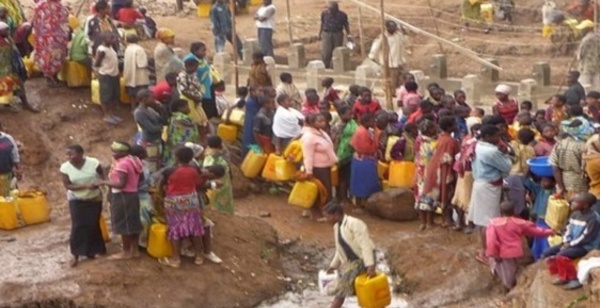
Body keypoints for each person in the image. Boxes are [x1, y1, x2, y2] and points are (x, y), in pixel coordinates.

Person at [158, 144, 224, 267]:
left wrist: (163, 198)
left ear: (177, 158)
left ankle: (176, 259)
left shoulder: (169, 171)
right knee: (195, 228)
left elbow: (160, 186)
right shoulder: (195, 170)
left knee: (175, 229)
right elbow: (198, 185)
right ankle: (199, 257)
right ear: (191, 158)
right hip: (190, 200)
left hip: (173, 201)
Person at [486, 201, 554, 291]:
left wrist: (494, 254)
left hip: (502, 254)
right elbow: (535, 231)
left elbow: (491, 241)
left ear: (500, 212)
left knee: (506, 274)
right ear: (513, 211)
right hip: (515, 252)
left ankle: (508, 289)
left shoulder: (493, 224)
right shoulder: (520, 223)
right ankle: (511, 286)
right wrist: (551, 232)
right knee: (512, 270)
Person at [470, 125, 512, 264]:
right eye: (496, 136)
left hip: (481, 184)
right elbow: (507, 166)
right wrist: (505, 153)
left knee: (483, 220)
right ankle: (487, 252)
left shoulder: (477, 145)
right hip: (489, 187)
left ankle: (486, 249)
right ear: (487, 137)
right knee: (488, 222)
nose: (498, 139)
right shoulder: (491, 151)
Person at [60, 144, 107, 267]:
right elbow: (68, 185)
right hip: (76, 199)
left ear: (81, 154)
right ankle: (75, 254)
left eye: (71, 154)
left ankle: (93, 250)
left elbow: (103, 176)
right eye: (67, 154)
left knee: (93, 224)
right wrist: (85, 186)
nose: (69, 157)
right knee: (78, 225)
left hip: (94, 198)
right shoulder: (65, 168)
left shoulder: (93, 162)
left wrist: (100, 183)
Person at [324, 202, 376, 308]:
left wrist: (370, 265)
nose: (326, 219)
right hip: (351, 263)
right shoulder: (337, 227)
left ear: (336, 215)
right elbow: (340, 249)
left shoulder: (355, 224)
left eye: (327, 216)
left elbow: (365, 245)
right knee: (364, 289)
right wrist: (333, 266)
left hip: (362, 260)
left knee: (341, 291)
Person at [100, 141, 143, 260]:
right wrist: (133, 184)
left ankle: (126, 251)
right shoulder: (135, 160)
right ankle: (135, 250)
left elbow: (120, 184)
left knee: (124, 224)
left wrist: (103, 182)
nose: (113, 153)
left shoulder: (123, 164)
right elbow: (141, 178)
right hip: (133, 194)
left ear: (124, 152)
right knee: (133, 221)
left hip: (122, 196)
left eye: (116, 151)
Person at [421, 117, 460, 228]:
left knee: (435, 194)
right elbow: (454, 157)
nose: (456, 126)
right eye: (454, 124)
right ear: (449, 127)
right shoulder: (450, 141)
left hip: (433, 168)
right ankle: (446, 219)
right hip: (443, 170)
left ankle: (432, 221)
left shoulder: (439, 138)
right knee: (447, 193)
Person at [542, 192, 600, 266]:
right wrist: (566, 241)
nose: (572, 203)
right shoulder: (575, 214)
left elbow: (586, 238)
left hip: (584, 246)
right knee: (547, 253)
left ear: (585, 205)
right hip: (571, 243)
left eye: (575, 202)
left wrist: (570, 245)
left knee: (561, 255)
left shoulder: (593, 219)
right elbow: (568, 229)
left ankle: (565, 275)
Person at [302, 113, 337, 219]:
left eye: (324, 121)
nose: (323, 123)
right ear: (312, 123)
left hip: (326, 166)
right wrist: (309, 171)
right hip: (317, 168)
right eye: (320, 121)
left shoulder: (321, 133)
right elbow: (308, 155)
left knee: (326, 190)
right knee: (318, 191)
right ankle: (316, 212)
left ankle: (326, 211)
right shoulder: (309, 137)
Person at [0, 22, 38, 112]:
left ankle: (25, 104)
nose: (8, 31)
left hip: (11, 69)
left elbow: (14, 53)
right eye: (6, 30)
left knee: (19, 85)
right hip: (2, 71)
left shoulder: (8, 40)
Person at [32, 0, 69, 86]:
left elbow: (35, 22)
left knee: (53, 56)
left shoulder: (42, 5)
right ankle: (49, 77)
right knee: (51, 56)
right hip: (51, 37)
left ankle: (52, 76)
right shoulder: (58, 7)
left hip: (51, 37)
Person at [550, 121, 589, 199]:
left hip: (563, 181)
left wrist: (561, 187)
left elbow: (554, 167)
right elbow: (588, 168)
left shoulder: (559, 144)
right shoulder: (585, 145)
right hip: (580, 183)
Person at [350, 113, 381, 209]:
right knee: (360, 183)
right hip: (363, 161)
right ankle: (358, 205)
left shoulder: (365, 130)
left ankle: (364, 203)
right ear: (366, 122)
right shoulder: (362, 132)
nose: (374, 123)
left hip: (365, 160)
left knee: (367, 182)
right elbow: (366, 148)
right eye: (372, 121)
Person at [524, 175, 556, 260]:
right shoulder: (539, 190)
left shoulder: (555, 192)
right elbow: (525, 180)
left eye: (546, 181)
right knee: (536, 240)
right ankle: (536, 257)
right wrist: (528, 169)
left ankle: (545, 257)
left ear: (553, 182)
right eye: (542, 181)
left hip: (549, 221)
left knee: (546, 240)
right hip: (537, 219)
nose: (543, 183)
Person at [184, 42, 219, 120]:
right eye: (202, 51)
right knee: (204, 109)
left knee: (210, 107)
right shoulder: (190, 60)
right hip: (199, 89)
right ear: (195, 51)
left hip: (207, 86)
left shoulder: (201, 59)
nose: (204, 53)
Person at [331, 105, 357, 205]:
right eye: (348, 114)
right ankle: (342, 197)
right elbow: (335, 140)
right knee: (341, 177)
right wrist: (335, 154)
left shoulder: (351, 123)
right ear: (341, 115)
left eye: (351, 113)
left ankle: (344, 196)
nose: (351, 115)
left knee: (347, 177)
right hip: (341, 154)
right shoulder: (338, 126)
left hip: (350, 152)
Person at [94, 33, 122, 125]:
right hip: (106, 75)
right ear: (104, 39)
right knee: (106, 96)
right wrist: (99, 71)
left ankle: (111, 114)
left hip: (113, 74)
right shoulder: (102, 50)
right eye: (111, 38)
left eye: (113, 38)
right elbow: (97, 63)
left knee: (113, 95)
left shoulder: (110, 47)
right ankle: (106, 115)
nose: (113, 40)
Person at [368, 21, 406, 90]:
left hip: (399, 62)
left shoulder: (398, 35)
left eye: (395, 27)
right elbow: (374, 49)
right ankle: (390, 95)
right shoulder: (382, 37)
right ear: (387, 27)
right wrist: (376, 59)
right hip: (388, 64)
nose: (394, 29)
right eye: (391, 27)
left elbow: (403, 42)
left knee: (400, 81)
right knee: (390, 82)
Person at [134, 90, 164, 172]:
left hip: (156, 141)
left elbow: (162, 120)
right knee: (150, 167)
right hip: (149, 142)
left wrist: (161, 109)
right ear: (144, 99)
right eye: (152, 98)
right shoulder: (139, 113)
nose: (155, 100)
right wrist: (161, 127)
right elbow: (151, 129)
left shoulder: (150, 109)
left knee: (157, 164)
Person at [129, 145, 153, 249]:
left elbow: (149, 178)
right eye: (144, 152)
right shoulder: (133, 166)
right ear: (138, 155)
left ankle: (143, 241)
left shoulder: (145, 164)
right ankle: (138, 243)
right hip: (137, 194)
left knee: (146, 219)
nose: (147, 154)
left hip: (145, 193)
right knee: (141, 219)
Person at [163, 99, 199, 167]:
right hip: (181, 143)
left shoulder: (173, 117)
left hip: (175, 142)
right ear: (180, 108)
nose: (189, 108)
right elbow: (191, 124)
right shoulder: (181, 117)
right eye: (187, 106)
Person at [203, 136, 234, 215]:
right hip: (224, 184)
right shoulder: (223, 155)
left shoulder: (206, 155)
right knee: (225, 206)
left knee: (213, 205)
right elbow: (228, 167)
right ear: (220, 145)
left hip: (211, 185)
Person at [178, 58, 208, 132]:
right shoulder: (183, 75)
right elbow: (183, 90)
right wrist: (195, 98)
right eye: (195, 67)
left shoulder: (193, 74)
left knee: (202, 119)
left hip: (196, 100)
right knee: (194, 119)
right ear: (188, 66)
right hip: (188, 99)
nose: (196, 69)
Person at [319, 1, 351, 69]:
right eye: (328, 9)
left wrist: (349, 35)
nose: (329, 11)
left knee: (337, 51)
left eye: (331, 9)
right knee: (326, 51)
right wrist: (319, 33)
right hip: (326, 34)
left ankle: (336, 66)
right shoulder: (324, 14)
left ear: (336, 9)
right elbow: (322, 23)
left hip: (337, 34)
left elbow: (346, 25)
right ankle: (325, 66)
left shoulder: (342, 15)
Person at [123, 34, 150, 109]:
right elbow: (142, 64)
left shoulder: (127, 49)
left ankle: (133, 109)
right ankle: (142, 109)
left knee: (132, 95)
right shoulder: (139, 49)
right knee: (142, 95)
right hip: (140, 77)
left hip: (130, 75)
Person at [576, 20, 600, 90]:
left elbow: (580, 54)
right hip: (598, 66)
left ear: (587, 29)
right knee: (597, 86)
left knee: (584, 86)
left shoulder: (585, 40)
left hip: (586, 67)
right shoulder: (598, 38)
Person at [0, 122, 19, 197]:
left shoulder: (8, 138)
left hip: (8, 175)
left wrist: (18, 168)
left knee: (10, 198)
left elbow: (15, 153)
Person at [241, 85, 261, 155]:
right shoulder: (250, 102)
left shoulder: (256, 100)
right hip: (251, 124)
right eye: (259, 91)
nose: (261, 93)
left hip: (254, 124)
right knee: (250, 140)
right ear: (253, 92)